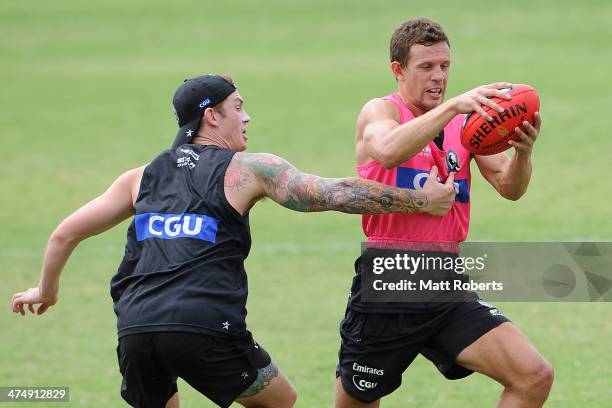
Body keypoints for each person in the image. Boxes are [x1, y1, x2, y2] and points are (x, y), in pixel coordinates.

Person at [10, 74, 456, 408]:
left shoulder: (140, 177)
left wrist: (45, 290)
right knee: (280, 400)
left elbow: (64, 233)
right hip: (203, 325)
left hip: (135, 327)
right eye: (237, 106)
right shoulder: (247, 169)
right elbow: (332, 194)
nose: (246, 116)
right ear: (212, 115)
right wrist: (420, 200)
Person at [334, 18, 554, 408]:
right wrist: (452, 107)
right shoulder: (382, 111)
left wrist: (523, 153)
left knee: (533, 375)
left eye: (445, 67)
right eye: (426, 67)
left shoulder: (466, 127)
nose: (439, 77)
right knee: (357, 401)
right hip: (389, 281)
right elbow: (385, 150)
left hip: (445, 280)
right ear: (398, 70)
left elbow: (509, 187)